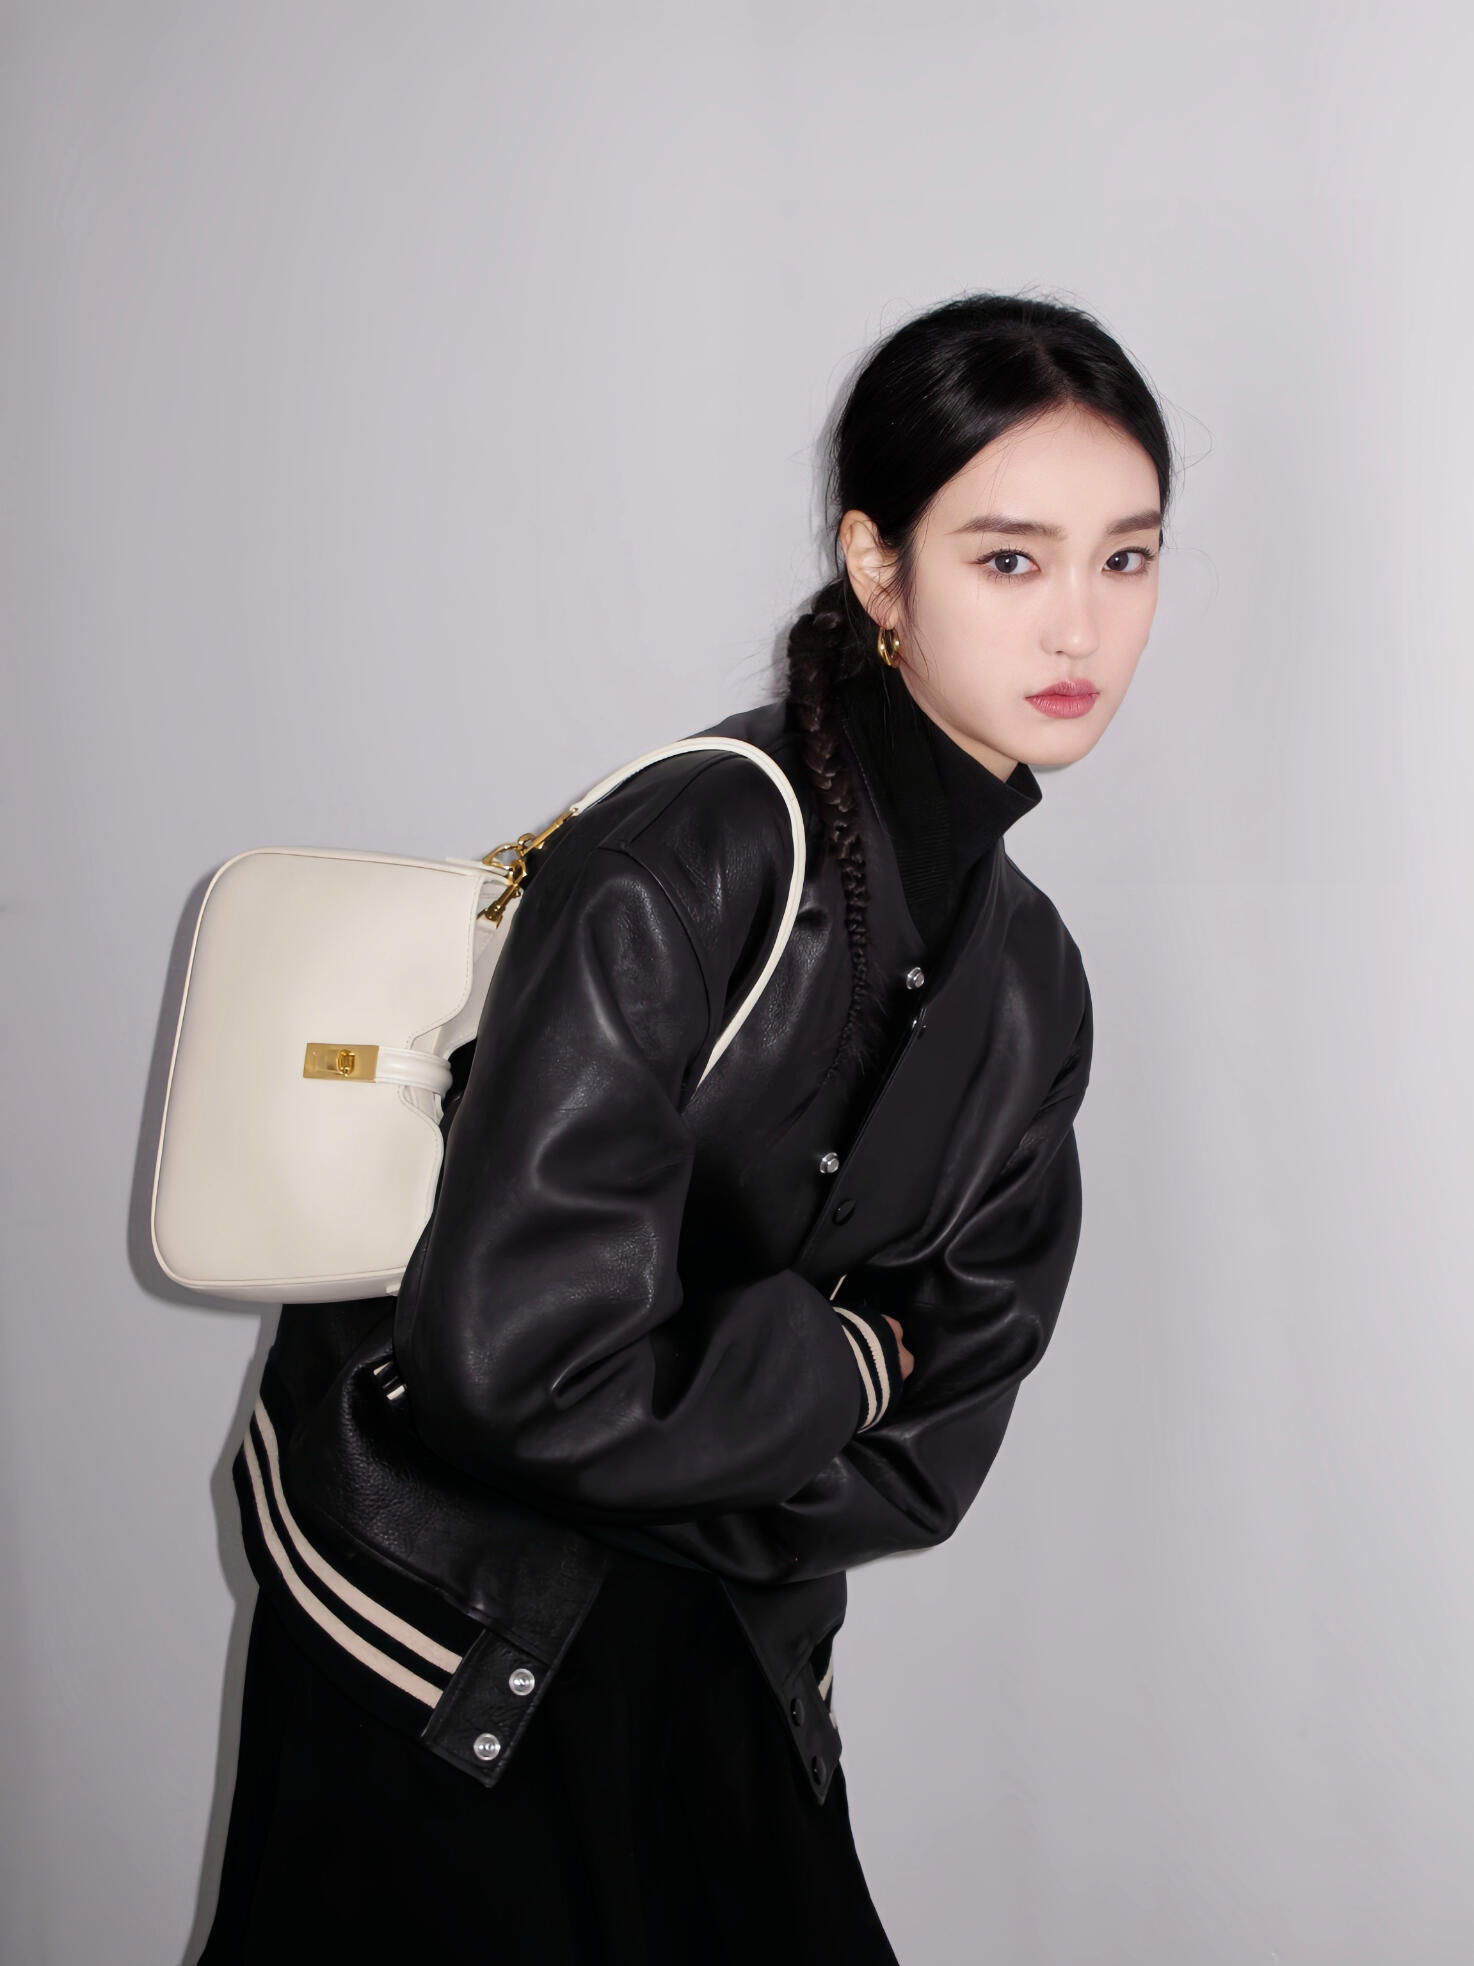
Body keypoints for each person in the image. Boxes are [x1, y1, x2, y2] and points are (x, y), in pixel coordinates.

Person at [196, 290, 1172, 1963]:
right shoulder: (688, 853)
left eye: (1125, 557)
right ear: (878, 566)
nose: (1077, 623)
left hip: (728, 1657)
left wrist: (685, 1423)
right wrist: (837, 1363)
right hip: (438, 1647)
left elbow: (932, 1455)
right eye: (1009, 558)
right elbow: (520, 1373)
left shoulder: (1031, 983)